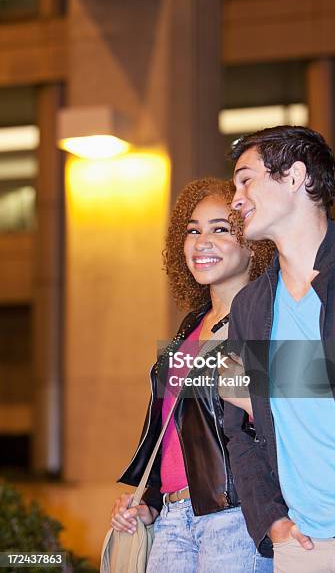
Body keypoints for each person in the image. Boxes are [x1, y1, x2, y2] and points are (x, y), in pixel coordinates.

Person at [224, 125, 335, 573]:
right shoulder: (249, 307)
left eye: (246, 179)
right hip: (300, 549)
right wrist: (271, 522)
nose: (235, 199)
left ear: (295, 176)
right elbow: (237, 430)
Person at [111, 177, 274, 572]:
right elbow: (171, 428)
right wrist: (149, 499)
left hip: (234, 515)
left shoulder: (270, 320)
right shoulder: (190, 326)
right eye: (193, 231)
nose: (202, 241)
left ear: (253, 241)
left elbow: (285, 422)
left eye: (220, 229)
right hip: (171, 516)